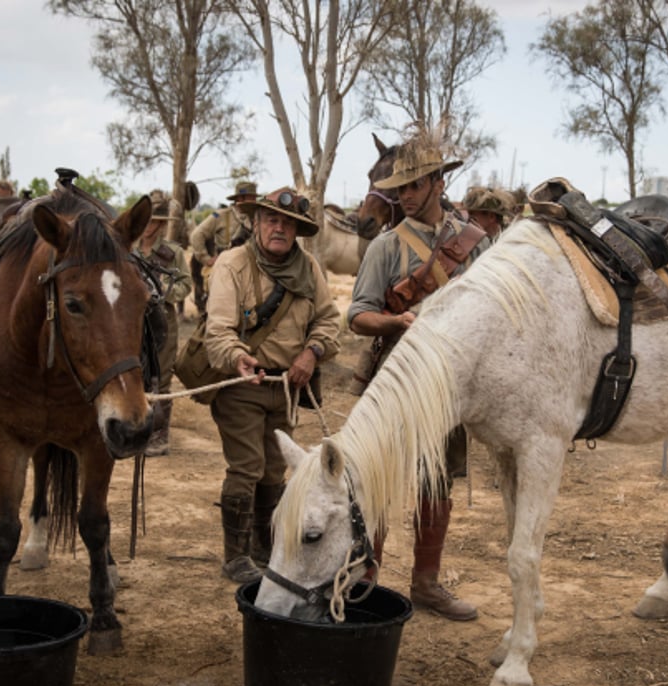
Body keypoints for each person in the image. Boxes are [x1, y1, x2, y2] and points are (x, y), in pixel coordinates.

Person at [348, 132, 489, 621]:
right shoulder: (385, 247)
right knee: (381, 481)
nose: (403, 195)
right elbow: (358, 316)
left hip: (451, 386)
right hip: (396, 381)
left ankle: (426, 584)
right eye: (398, 186)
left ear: (438, 182)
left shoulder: (476, 243)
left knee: (438, 483)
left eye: (414, 184)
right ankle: (364, 580)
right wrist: (396, 321)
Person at [204, 186, 341, 584]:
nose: (279, 228)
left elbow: (330, 320)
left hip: (286, 387)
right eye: (271, 220)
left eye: (288, 223)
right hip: (241, 382)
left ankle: (264, 549)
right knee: (247, 467)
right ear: (257, 222)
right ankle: (235, 557)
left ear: (297, 230)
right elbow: (218, 330)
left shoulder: (309, 268)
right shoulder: (232, 263)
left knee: (274, 471)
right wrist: (237, 356)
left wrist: (311, 352)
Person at [134, 194, 192, 457]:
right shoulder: (127, 250)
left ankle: (159, 436)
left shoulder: (172, 253)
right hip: (132, 323)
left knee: (161, 380)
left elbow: (185, 285)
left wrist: (161, 293)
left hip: (162, 323)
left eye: (154, 221)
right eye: (146, 220)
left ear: (160, 224)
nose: (149, 226)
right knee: (135, 376)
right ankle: (135, 432)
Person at [190, 180, 258, 316]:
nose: (255, 201)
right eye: (252, 197)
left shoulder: (257, 217)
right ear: (241, 198)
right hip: (225, 269)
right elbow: (197, 235)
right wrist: (206, 259)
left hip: (250, 270)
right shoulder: (221, 215)